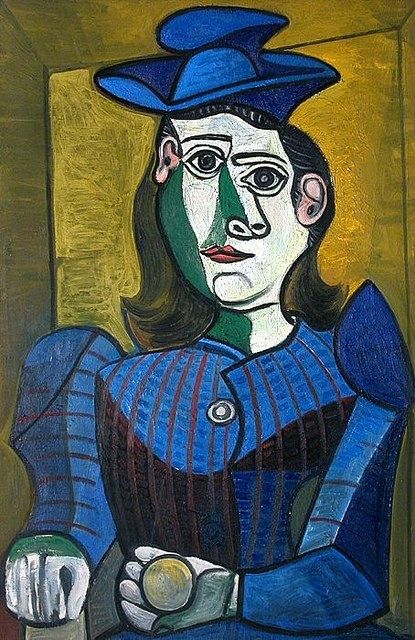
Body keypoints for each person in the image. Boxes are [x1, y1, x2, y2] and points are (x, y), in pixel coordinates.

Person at [3, 7, 413, 640]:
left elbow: (352, 572)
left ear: (309, 203)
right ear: (165, 174)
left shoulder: (356, 361)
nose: (233, 214)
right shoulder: (102, 377)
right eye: (201, 166)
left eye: (263, 178)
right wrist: (50, 547)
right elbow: (72, 513)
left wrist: (229, 595)